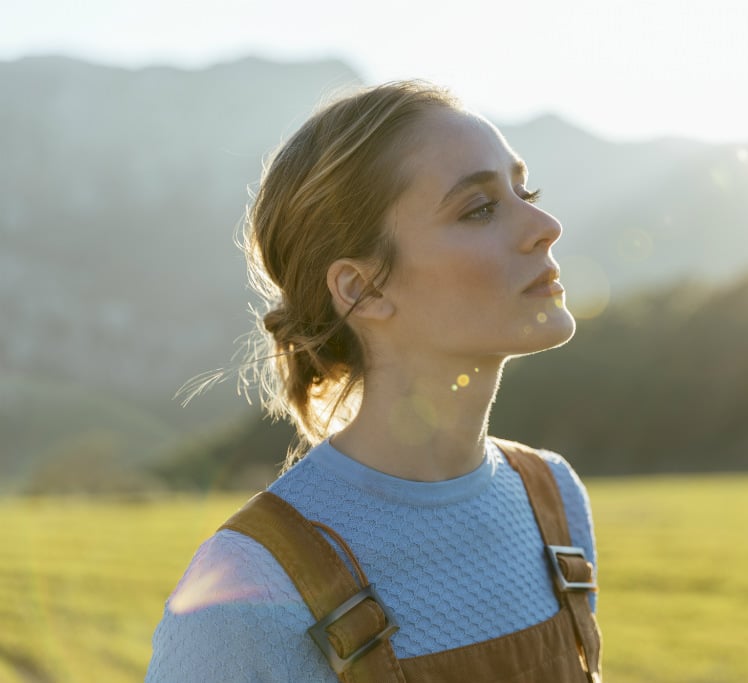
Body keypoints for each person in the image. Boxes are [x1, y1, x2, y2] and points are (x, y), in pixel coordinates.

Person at [145, 80, 601, 682]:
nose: (546, 224)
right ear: (364, 289)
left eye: (525, 190)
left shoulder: (554, 501)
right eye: (480, 208)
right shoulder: (245, 594)